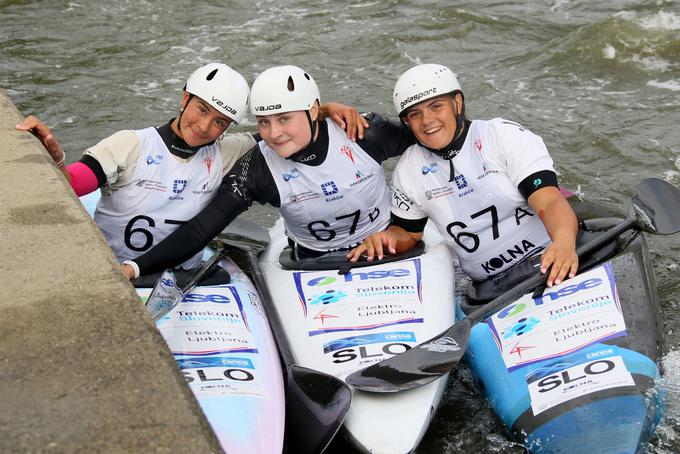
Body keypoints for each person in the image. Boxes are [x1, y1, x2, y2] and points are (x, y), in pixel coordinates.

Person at [15, 63, 367, 274]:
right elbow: (74, 184)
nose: (204, 126)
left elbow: (285, 131)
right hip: (115, 268)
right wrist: (57, 158)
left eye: (219, 122)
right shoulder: (131, 143)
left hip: (184, 274)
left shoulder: (231, 151)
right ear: (185, 99)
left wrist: (322, 110)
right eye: (201, 110)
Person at [122, 64, 415, 279]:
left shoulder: (362, 132)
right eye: (264, 122)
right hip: (311, 265)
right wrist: (134, 268)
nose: (274, 134)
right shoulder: (255, 169)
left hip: (391, 246)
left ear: (313, 110)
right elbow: (200, 229)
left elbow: (430, 140)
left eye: (284, 119)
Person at [347, 63, 579, 288]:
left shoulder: (501, 136)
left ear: (457, 103)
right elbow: (408, 233)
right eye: (415, 114)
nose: (427, 121)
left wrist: (564, 243)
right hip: (489, 289)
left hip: (549, 259)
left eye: (436, 106)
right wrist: (387, 238)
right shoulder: (408, 169)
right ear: (406, 123)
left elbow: (549, 200)